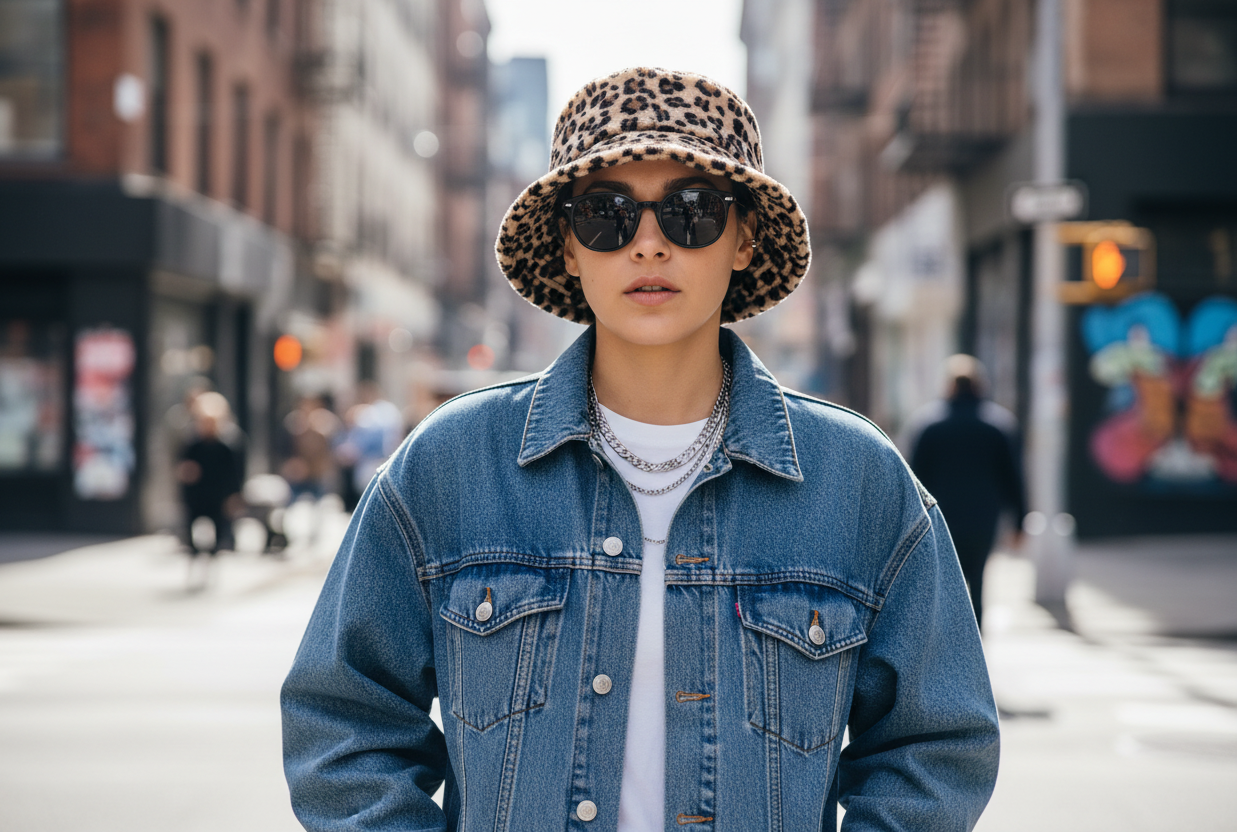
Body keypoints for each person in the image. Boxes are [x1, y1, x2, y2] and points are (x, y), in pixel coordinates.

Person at [282, 67, 999, 831]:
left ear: (744, 239)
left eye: (692, 211)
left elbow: (937, 745)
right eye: (606, 214)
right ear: (567, 245)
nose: (649, 244)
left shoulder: (855, 479)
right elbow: (343, 721)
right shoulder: (450, 466)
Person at [906, 355, 1027, 629]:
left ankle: (948, 646)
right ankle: (975, 645)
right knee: (979, 580)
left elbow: (913, 479)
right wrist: (1019, 522)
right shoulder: (999, 426)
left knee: (945, 585)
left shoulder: (928, 426)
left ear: (948, 386)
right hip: (984, 519)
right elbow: (1014, 478)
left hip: (941, 519)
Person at [177, 391, 243, 587]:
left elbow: (233, 475)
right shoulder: (192, 445)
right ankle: (193, 567)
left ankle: (211, 569)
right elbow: (182, 469)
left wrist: (234, 497)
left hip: (217, 497)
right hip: (197, 497)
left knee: (218, 534)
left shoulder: (227, 447)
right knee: (191, 535)